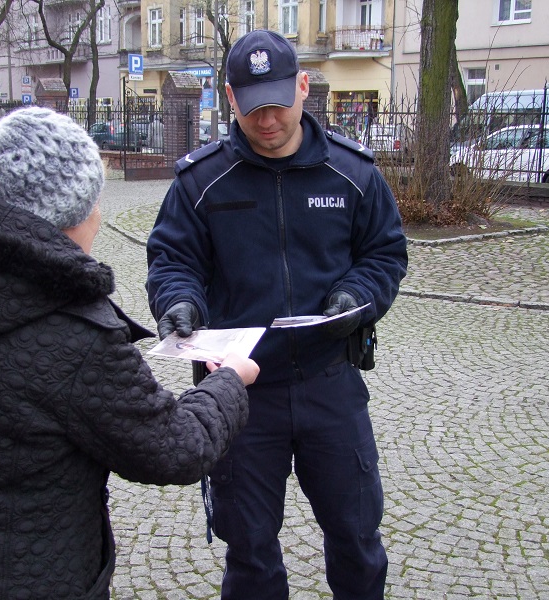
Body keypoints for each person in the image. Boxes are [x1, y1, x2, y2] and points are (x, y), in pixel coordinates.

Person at [0, 107, 259, 599]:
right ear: (72, 211)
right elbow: (175, 450)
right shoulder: (74, 332)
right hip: (35, 578)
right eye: (95, 198)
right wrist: (229, 380)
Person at [146, 29, 408, 600]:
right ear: (230, 98)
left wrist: (354, 296)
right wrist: (179, 303)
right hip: (240, 395)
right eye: (254, 105)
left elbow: (385, 253)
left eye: (280, 102)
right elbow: (172, 260)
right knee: (251, 552)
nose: (268, 119)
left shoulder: (353, 173)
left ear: (304, 87)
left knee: (358, 540)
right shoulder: (199, 181)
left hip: (330, 384)